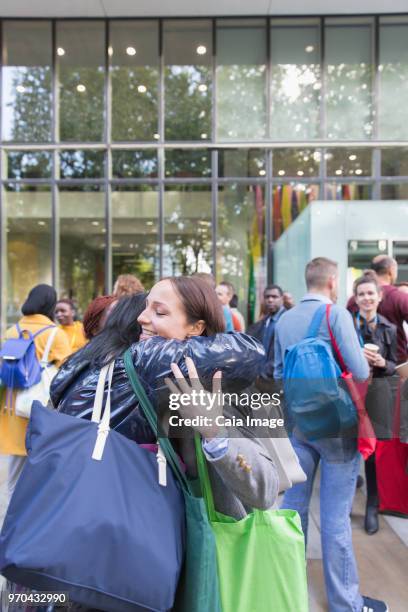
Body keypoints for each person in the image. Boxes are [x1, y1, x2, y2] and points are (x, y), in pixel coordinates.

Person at [51, 277, 278, 523]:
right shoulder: (138, 379)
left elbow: (265, 489)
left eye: (159, 312)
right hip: (147, 537)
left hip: (209, 542)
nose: (142, 318)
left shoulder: (213, 386)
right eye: (145, 307)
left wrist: (215, 432)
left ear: (196, 328)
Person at [274, 258, 387, 612]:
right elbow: (356, 369)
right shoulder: (334, 315)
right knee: (336, 520)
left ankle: (289, 594)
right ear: (333, 281)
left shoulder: (283, 319)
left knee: (293, 511)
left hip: (298, 425)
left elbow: (278, 373)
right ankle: (346, 604)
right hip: (337, 427)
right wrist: (368, 358)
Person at [0, 284, 71, 496]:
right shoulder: (54, 334)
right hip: (40, 405)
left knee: (15, 468)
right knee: (40, 461)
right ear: (50, 303)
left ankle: (10, 513)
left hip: (12, 404)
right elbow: (67, 370)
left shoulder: (11, 331)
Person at [352, 274, 397, 534]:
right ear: (356, 299)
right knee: (349, 446)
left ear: (380, 296)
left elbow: (396, 364)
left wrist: (383, 364)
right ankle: (349, 493)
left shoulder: (389, 328)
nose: (367, 298)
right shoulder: (348, 325)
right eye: (362, 294)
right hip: (352, 394)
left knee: (373, 453)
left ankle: (372, 505)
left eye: (371, 293)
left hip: (379, 394)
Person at [247, 285, 286, 384]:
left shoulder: (287, 320)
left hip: (278, 378)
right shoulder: (263, 322)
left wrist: (263, 372)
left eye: (274, 297)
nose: (270, 300)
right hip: (261, 380)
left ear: (282, 298)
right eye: (267, 297)